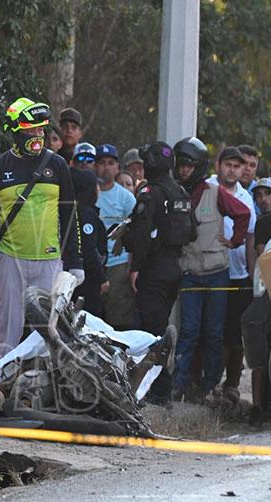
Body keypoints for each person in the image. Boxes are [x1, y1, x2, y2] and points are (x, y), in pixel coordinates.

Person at [0, 98, 84, 357]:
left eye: (41, 129)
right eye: (31, 129)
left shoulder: (57, 165)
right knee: (7, 331)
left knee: (50, 333)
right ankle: (2, 390)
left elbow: (69, 215)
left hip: (49, 260)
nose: (38, 134)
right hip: (10, 258)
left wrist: (75, 260)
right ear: (16, 131)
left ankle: (47, 391)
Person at [170, 140, 251, 404]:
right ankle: (179, 385)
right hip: (189, 272)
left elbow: (243, 213)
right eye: (181, 165)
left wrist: (235, 240)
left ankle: (208, 386)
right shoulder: (174, 192)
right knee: (189, 331)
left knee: (214, 333)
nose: (184, 171)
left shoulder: (214, 193)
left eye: (189, 165)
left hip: (216, 272)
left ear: (200, 166)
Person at [121, 142, 193, 404]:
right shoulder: (180, 192)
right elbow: (191, 232)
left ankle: (155, 390)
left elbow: (140, 238)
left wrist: (135, 266)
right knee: (160, 327)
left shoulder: (151, 193)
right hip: (175, 268)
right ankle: (160, 387)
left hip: (153, 269)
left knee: (148, 333)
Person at [206, 146, 257, 405]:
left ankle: (232, 384)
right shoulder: (206, 189)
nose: (234, 170)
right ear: (218, 165)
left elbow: (250, 239)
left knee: (235, 332)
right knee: (209, 329)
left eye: (239, 166)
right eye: (229, 165)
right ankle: (207, 382)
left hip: (237, 274)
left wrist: (251, 274)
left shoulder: (247, 199)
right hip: (209, 270)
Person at [94, 143, 137, 330]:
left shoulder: (126, 198)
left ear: (117, 167)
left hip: (118, 265)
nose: (106, 167)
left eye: (111, 163)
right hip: (92, 264)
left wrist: (132, 267)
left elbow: (136, 232)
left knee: (118, 320)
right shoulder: (88, 191)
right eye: (101, 162)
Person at [69, 168, 108, 316]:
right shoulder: (85, 214)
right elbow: (89, 248)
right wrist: (101, 278)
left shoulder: (75, 212)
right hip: (87, 280)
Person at [252, 178, 271, 255]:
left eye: (267, 193)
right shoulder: (261, 223)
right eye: (258, 195)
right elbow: (263, 255)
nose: (263, 199)